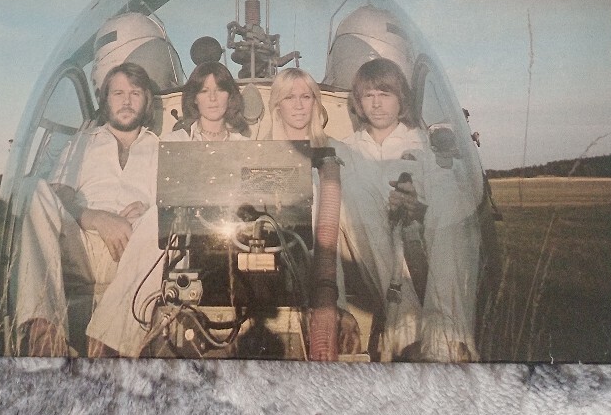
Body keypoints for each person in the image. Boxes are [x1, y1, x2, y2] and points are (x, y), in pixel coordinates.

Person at [85, 61, 248, 356]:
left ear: (230, 96)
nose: (212, 98)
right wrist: (147, 206)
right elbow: (158, 197)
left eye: (220, 89)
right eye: (204, 90)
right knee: (161, 222)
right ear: (194, 99)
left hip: (227, 238)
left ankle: (110, 338)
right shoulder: (173, 143)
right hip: (184, 236)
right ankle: (113, 339)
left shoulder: (245, 145)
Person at [15, 62, 159, 357]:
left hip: (133, 252)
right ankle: (44, 337)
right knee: (36, 190)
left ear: (146, 101)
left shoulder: (160, 147)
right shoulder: (82, 142)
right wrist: (95, 218)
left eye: (135, 93)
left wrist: (148, 209)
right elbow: (59, 194)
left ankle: (107, 345)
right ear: (105, 100)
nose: (127, 101)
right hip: (80, 246)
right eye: (118, 93)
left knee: (161, 216)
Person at [343, 57, 479, 361]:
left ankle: (445, 331)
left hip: (421, 247)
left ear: (400, 98)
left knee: (448, 197)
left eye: (385, 94)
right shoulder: (348, 149)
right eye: (368, 96)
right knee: (359, 197)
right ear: (359, 102)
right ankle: (405, 321)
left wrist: (416, 206)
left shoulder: (423, 145)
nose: (377, 104)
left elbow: (446, 203)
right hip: (371, 249)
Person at [267, 67, 359, 360]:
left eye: (306, 97)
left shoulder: (337, 151)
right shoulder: (261, 154)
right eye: (289, 97)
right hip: (276, 266)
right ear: (277, 105)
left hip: (328, 267)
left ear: (315, 103)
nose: (298, 105)